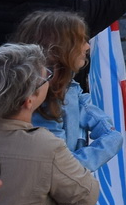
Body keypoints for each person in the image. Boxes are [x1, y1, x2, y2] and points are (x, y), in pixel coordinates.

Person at [0, 43, 99, 205]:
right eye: (45, 77)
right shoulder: (44, 146)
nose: (49, 79)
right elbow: (85, 197)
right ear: (28, 100)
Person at [14, 12, 118, 175]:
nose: (87, 46)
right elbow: (63, 169)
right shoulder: (43, 107)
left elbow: (78, 100)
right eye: (81, 41)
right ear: (60, 51)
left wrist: (104, 127)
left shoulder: (64, 84)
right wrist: (109, 143)